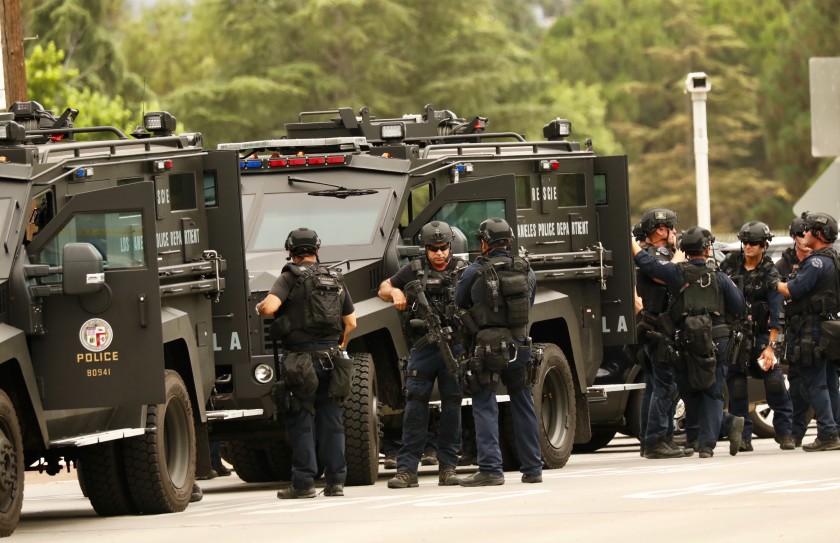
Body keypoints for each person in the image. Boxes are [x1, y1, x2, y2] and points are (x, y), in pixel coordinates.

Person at [257, 227, 357, 498]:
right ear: (317, 250)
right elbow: (351, 321)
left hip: (300, 361)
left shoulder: (289, 277)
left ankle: (303, 483)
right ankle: (336, 482)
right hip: (333, 360)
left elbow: (268, 308)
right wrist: (337, 345)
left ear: (290, 251)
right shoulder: (335, 278)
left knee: (301, 419)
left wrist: (261, 306)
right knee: (332, 419)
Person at [632, 226, 746, 458]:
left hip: (686, 341)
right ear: (707, 249)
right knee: (712, 393)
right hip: (717, 340)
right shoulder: (719, 277)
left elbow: (647, 264)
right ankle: (707, 443)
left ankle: (708, 436)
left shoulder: (675, 273)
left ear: (683, 249)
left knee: (688, 388)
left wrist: (629, 242)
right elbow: (739, 305)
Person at [454, 217, 543, 485]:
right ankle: (533, 469)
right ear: (509, 241)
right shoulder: (526, 270)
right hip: (520, 344)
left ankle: (491, 469)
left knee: (484, 403)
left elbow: (460, 301)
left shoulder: (474, 271)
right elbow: (531, 301)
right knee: (523, 402)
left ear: (484, 242)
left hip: (487, 348)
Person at [379, 221, 466, 488]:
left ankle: (448, 467)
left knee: (452, 408)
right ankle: (407, 470)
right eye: (433, 249)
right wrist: (395, 293)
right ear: (425, 249)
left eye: (444, 248)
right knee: (415, 407)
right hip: (423, 348)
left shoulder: (463, 270)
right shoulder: (413, 270)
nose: (439, 254)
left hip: (455, 346)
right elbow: (383, 288)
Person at [720, 221, 795, 451]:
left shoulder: (769, 272)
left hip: (762, 335)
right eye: (745, 242)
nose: (748, 247)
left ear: (763, 244)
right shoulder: (730, 266)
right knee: (738, 387)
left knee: (774, 383)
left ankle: (785, 433)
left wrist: (771, 347)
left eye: (753, 243)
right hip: (735, 336)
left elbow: (776, 313)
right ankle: (743, 436)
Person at [772, 212, 840, 451]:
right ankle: (835, 429)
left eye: (809, 230)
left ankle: (828, 434)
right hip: (828, 328)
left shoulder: (815, 262)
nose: (805, 234)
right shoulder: (834, 258)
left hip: (812, 330)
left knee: (815, 383)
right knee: (830, 382)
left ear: (819, 234)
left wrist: (773, 283)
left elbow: (793, 289)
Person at [633, 208, 693, 459]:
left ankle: (657, 438)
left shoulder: (659, 255)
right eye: (671, 227)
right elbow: (669, 274)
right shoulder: (654, 255)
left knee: (656, 384)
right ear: (660, 230)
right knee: (665, 385)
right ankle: (657, 440)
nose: (675, 233)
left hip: (658, 326)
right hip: (659, 327)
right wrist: (678, 257)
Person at [775, 217, 815, 447]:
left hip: (820, 329)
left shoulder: (822, 261)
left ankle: (831, 429)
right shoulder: (783, 266)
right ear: (793, 237)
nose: (805, 239)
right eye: (801, 235)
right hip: (794, 330)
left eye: (809, 234)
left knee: (823, 383)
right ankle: (796, 431)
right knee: (798, 383)